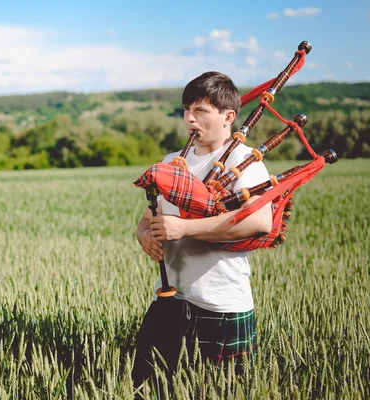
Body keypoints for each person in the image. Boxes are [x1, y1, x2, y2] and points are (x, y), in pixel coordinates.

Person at [131, 71, 273, 394]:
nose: (190, 119)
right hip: (169, 300)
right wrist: (144, 236)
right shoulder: (172, 162)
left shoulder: (245, 161)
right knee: (147, 387)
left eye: (201, 111)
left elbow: (259, 221)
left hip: (221, 307)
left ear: (228, 117)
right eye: (186, 110)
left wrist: (184, 228)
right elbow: (146, 219)